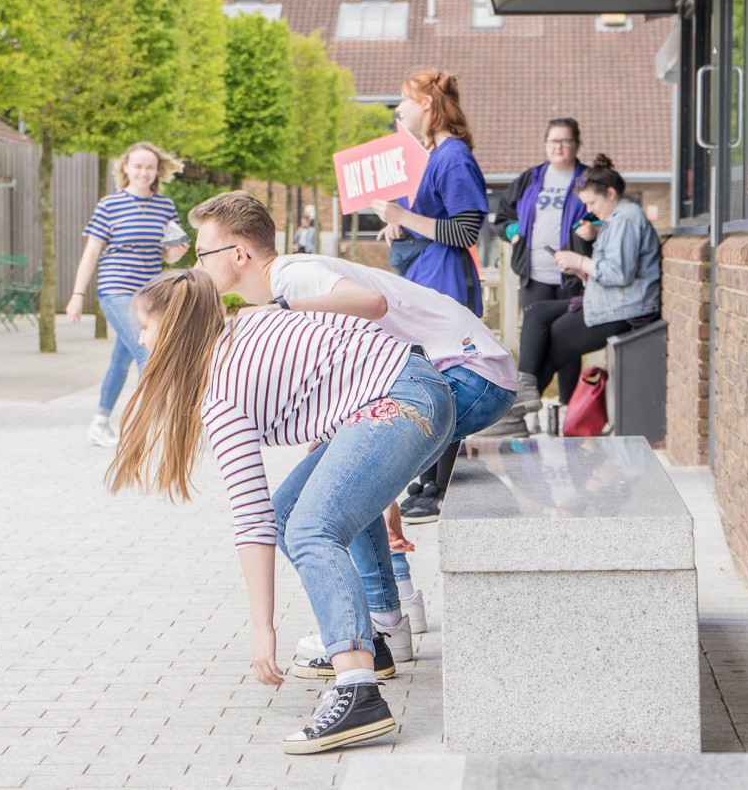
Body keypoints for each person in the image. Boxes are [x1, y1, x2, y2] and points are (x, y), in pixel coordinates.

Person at [108, 269, 455, 755]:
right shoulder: (246, 325)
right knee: (289, 512)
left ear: (173, 329)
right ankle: (367, 646)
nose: (141, 339)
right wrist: (374, 475)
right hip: (410, 390)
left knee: (311, 528)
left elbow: (251, 521)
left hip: (401, 402)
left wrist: (263, 630)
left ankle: (358, 693)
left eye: (146, 326)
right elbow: (349, 356)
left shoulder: (221, 392)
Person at [188, 190, 518, 659]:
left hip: (467, 374)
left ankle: (382, 623)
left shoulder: (292, 277)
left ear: (238, 253)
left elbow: (372, 303)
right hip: (438, 378)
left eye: (203, 253)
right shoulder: (287, 283)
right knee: (314, 497)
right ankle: (392, 611)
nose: (197, 264)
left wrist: (281, 311)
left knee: (324, 499)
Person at [370, 68, 487, 523]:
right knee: (431, 379)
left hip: (446, 282)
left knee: (445, 381)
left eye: (405, 100)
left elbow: (465, 229)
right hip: (430, 277)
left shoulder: (453, 156)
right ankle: (428, 480)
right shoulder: (436, 155)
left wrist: (403, 216)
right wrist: (401, 225)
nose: (399, 109)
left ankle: (438, 486)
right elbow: (435, 222)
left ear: (427, 105)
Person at [64, 142, 190, 447]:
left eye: (150, 167)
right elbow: (92, 252)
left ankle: (100, 423)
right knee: (148, 353)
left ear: (157, 171)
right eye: (138, 166)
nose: (144, 172)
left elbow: (166, 255)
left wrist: (176, 253)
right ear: (126, 168)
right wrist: (77, 294)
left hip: (149, 294)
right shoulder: (109, 205)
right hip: (116, 289)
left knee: (121, 359)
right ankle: (145, 429)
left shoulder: (165, 206)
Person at [518, 155, 661, 408]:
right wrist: (581, 271)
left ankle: (517, 407)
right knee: (536, 312)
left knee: (553, 337)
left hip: (626, 310)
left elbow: (619, 273)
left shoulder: (626, 220)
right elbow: (612, 271)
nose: (590, 210)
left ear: (610, 193)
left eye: (592, 202)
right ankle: (524, 390)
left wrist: (581, 261)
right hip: (610, 300)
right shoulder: (615, 219)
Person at [487, 118, 599, 431]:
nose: (559, 147)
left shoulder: (588, 179)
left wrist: (594, 230)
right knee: (535, 338)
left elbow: (605, 216)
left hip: (573, 275)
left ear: (577, 144)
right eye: (553, 141)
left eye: (565, 141)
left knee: (568, 341)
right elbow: (502, 218)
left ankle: (568, 410)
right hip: (534, 274)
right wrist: (514, 233)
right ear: (545, 145)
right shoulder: (531, 178)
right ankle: (529, 411)